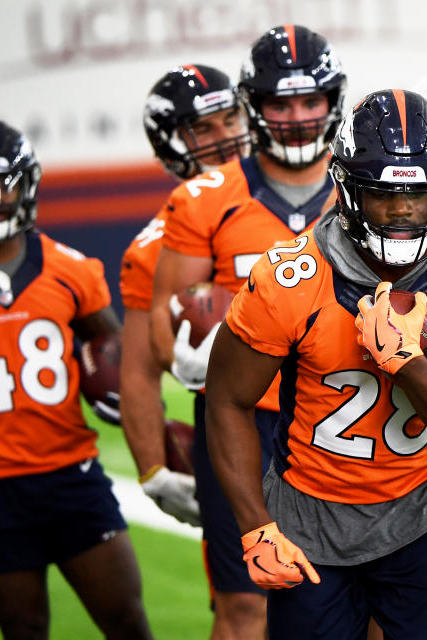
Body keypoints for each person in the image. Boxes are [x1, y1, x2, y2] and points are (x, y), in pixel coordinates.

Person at [204, 88, 427, 639]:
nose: (401, 210)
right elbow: (228, 399)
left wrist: (408, 363)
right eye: (381, 194)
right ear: (348, 188)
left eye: (418, 195)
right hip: (310, 515)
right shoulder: (289, 280)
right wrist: (256, 526)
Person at [147, 25, 345, 640]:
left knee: (361, 597)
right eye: (280, 104)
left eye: (310, 101)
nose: (296, 118)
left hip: (346, 416)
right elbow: (164, 312)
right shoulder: (207, 197)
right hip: (242, 422)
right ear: (253, 107)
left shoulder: (364, 180)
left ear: (332, 100)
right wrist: (185, 350)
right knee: (245, 603)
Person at [0, 119, 153, 639]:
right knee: (23, 628)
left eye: (4, 183)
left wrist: (114, 383)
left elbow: (112, 346)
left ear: (27, 185)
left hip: (69, 473)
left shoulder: (69, 269)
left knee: (126, 619)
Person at [121, 63, 251, 531]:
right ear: (171, 145)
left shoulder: (310, 190)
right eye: (202, 127)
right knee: (244, 600)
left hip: (334, 415)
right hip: (237, 425)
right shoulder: (155, 246)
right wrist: (154, 470)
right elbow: (138, 369)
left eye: (230, 118)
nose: (226, 136)